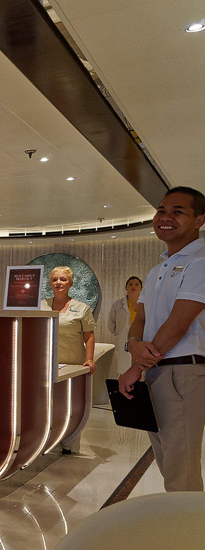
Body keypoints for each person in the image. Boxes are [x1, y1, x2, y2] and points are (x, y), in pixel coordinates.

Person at [118, 186, 205, 492]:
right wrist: (132, 344)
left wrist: (135, 367)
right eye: (161, 211)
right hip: (156, 370)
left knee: (181, 470)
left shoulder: (200, 262)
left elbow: (178, 323)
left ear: (199, 220)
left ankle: (189, 523)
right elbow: (140, 318)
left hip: (182, 371)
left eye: (177, 212)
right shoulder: (158, 268)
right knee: (167, 461)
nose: (165, 217)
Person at [40, 266, 97, 374]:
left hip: (74, 365)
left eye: (63, 279)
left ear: (70, 284)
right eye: (54, 279)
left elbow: (89, 336)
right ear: (50, 283)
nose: (58, 282)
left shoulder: (82, 308)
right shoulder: (40, 306)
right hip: (46, 363)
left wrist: (89, 360)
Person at [108, 276, 143, 376]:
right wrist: (121, 334)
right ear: (126, 288)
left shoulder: (146, 304)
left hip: (141, 342)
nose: (133, 286)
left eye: (136, 284)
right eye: (130, 284)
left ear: (141, 288)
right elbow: (111, 326)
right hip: (123, 342)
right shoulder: (117, 305)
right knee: (124, 373)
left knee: (141, 372)